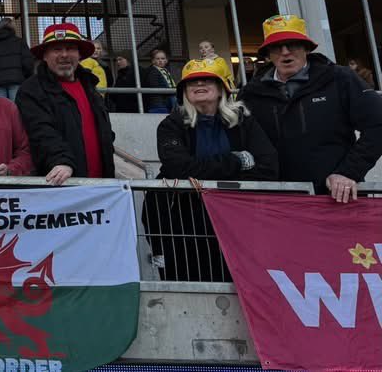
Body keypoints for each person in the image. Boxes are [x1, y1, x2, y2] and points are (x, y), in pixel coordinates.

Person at [146, 58, 278, 282]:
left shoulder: (244, 121)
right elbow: (178, 167)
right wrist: (236, 162)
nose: (199, 85)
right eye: (192, 83)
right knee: (188, 276)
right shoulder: (172, 125)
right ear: (184, 92)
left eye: (207, 80)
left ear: (221, 89)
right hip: (184, 221)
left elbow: (268, 167)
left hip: (237, 218)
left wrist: (202, 171)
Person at [239, 15, 382, 202]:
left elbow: (378, 124)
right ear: (268, 54)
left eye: (293, 44)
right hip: (275, 203)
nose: (285, 52)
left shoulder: (340, 79)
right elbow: (238, 143)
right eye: (276, 47)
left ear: (306, 48)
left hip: (335, 200)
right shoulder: (251, 94)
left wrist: (348, 172)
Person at [16, 22, 116, 185]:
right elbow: (41, 133)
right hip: (62, 187)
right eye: (56, 49)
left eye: (70, 48)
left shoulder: (90, 87)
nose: (64, 55)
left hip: (101, 189)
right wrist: (61, 161)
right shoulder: (31, 91)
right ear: (45, 56)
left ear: (79, 55)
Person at [0, 18, 35, 100]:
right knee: (16, 110)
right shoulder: (19, 42)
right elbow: (28, 63)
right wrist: (27, 77)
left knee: (2, 110)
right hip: (16, 81)